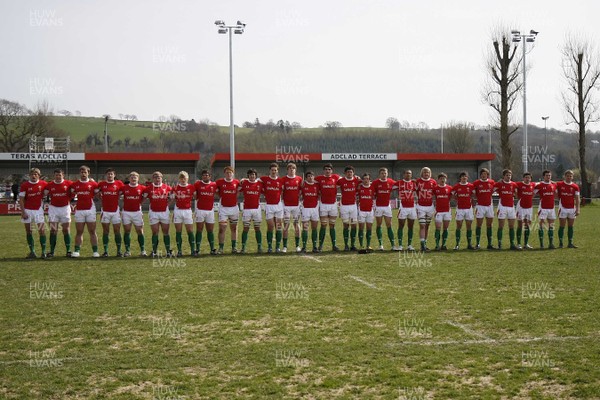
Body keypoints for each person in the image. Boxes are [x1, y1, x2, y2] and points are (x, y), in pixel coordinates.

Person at [70, 165, 99, 257]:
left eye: (85, 172)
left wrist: (95, 182)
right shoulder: (75, 184)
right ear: (79, 173)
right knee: (79, 231)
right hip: (79, 210)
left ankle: (95, 251)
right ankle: (77, 251)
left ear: (88, 173)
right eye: (82, 172)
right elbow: (71, 193)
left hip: (90, 209)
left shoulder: (94, 184)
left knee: (92, 231)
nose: (83, 174)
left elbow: (98, 194)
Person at [19, 168, 48, 258]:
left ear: (39, 175)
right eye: (32, 174)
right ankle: (32, 252)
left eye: (36, 174)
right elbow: (21, 199)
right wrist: (23, 212)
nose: (34, 175)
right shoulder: (25, 185)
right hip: (27, 210)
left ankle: (43, 252)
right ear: (29, 175)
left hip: (38, 210)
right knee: (29, 231)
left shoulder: (44, 184)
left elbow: (55, 186)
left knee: (42, 231)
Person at [44, 169, 73, 257]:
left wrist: (92, 181)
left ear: (63, 175)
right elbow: (43, 192)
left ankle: (68, 251)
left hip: (65, 209)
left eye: (59, 175)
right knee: (53, 230)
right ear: (54, 176)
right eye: (56, 175)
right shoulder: (49, 185)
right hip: (53, 209)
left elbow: (79, 184)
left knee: (66, 230)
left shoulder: (69, 183)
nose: (58, 177)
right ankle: (52, 251)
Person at [96, 168, 124, 257]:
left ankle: (119, 251)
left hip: (115, 211)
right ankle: (105, 251)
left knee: (117, 231)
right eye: (108, 174)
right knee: (106, 231)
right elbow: (96, 192)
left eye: (111, 174)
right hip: (105, 211)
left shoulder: (119, 183)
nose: (110, 175)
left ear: (114, 175)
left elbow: (123, 191)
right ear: (106, 175)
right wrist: (100, 197)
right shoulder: (101, 184)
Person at [144, 171, 172, 257]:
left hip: (164, 212)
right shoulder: (148, 188)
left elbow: (172, 198)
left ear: (162, 178)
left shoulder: (167, 187)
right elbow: (143, 198)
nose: (157, 178)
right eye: (155, 177)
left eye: (159, 177)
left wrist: (167, 205)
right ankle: (154, 251)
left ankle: (168, 251)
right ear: (153, 178)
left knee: (166, 232)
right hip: (153, 212)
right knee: (155, 232)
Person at [120, 171, 147, 257]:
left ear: (138, 178)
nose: (133, 178)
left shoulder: (142, 188)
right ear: (129, 178)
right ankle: (127, 251)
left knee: (139, 231)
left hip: (137, 212)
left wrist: (140, 203)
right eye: (132, 176)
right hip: (126, 212)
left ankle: (143, 250)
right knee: (127, 231)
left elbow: (145, 196)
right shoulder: (124, 188)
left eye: (135, 177)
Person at [315, 163, 341, 251]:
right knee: (323, 225)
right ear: (323, 170)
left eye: (329, 169)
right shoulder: (319, 178)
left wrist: (356, 177)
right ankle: (320, 245)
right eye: (326, 169)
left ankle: (334, 245)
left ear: (332, 170)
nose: (327, 171)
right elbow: (310, 181)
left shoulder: (336, 177)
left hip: (333, 205)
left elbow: (345, 180)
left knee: (332, 225)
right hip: (323, 205)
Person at [371, 167, 398, 251]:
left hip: (387, 206)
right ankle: (380, 245)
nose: (384, 175)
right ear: (379, 174)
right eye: (382, 173)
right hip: (378, 206)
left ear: (387, 174)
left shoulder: (391, 181)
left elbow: (400, 185)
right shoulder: (375, 183)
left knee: (389, 225)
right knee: (379, 225)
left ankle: (393, 245)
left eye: (385, 173)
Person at [215, 166, 240, 254]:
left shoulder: (237, 182)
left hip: (234, 208)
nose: (229, 174)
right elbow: (216, 191)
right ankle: (221, 248)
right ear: (224, 173)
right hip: (223, 208)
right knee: (222, 228)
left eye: (230, 172)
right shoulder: (219, 182)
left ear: (233, 173)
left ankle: (234, 247)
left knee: (234, 228)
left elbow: (242, 188)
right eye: (227, 173)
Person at [261, 163, 284, 253]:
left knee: (278, 227)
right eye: (272, 170)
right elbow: (254, 181)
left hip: (278, 206)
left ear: (277, 171)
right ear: (269, 171)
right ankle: (270, 247)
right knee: (270, 226)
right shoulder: (264, 179)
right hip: (269, 206)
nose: (274, 171)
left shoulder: (280, 180)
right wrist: (244, 179)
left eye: (275, 170)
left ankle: (278, 247)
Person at [239, 168, 264, 253]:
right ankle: (243, 247)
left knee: (257, 228)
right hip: (247, 209)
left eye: (253, 174)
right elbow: (237, 189)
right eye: (250, 175)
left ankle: (259, 247)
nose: (252, 176)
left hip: (257, 209)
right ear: (248, 176)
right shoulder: (244, 183)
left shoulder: (260, 184)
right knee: (245, 228)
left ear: (256, 176)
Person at [337, 166, 361, 251]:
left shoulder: (357, 180)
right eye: (347, 172)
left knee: (354, 225)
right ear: (345, 173)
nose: (349, 173)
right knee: (346, 225)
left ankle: (353, 244)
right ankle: (346, 245)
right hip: (344, 206)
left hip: (353, 206)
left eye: (351, 172)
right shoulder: (341, 181)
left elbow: (365, 182)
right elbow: (334, 186)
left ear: (353, 173)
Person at [172, 171, 196, 257]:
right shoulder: (175, 188)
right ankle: (179, 251)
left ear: (187, 178)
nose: (183, 180)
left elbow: (195, 197)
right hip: (178, 211)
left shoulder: (191, 187)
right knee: (178, 231)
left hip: (187, 211)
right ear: (179, 179)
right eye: (181, 178)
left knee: (190, 230)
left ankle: (193, 250)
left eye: (185, 178)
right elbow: (173, 198)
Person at [494, 169, 519, 250]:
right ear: (503, 176)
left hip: (511, 207)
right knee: (501, 226)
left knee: (511, 226)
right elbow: (491, 189)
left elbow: (516, 193)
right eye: (507, 175)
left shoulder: (514, 184)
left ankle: (512, 244)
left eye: (510, 175)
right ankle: (499, 244)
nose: (508, 177)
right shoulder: (499, 184)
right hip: (502, 207)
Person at [194, 170, 218, 255]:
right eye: (204, 175)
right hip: (200, 210)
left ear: (210, 176)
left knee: (210, 230)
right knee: (199, 230)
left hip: (210, 210)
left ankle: (212, 249)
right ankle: (197, 249)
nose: (205, 176)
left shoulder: (214, 185)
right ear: (202, 176)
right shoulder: (197, 184)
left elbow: (219, 192)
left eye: (207, 175)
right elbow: (194, 194)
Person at [281, 163, 303, 252]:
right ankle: (285, 246)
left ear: (295, 170)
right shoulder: (283, 179)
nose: (292, 170)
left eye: (293, 168)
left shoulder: (299, 179)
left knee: (296, 225)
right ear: (287, 170)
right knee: (285, 225)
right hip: (286, 206)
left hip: (296, 206)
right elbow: (281, 191)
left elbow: (302, 189)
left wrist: (299, 197)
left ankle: (297, 246)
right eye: (290, 168)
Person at [556, 170, 580, 248]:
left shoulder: (575, 186)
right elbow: (551, 184)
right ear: (564, 176)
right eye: (567, 176)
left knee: (570, 226)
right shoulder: (559, 184)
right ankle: (560, 243)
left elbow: (577, 198)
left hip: (572, 209)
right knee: (562, 226)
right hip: (562, 208)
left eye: (570, 176)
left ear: (572, 177)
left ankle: (570, 243)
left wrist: (578, 209)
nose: (569, 177)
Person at [473, 168, 496, 250]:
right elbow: (474, 193)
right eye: (482, 174)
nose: (483, 175)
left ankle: (490, 244)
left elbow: (492, 191)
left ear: (487, 175)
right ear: (480, 175)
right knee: (479, 225)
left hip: (489, 206)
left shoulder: (492, 182)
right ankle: (477, 244)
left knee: (489, 225)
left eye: (485, 174)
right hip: (480, 206)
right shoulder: (476, 183)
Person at [415, 167, 437, 252]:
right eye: (424, 172)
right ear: (422, 173)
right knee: (422, 225)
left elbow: (436, 193)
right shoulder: (418, 181)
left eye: (427, 172)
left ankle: (425, 243)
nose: (426, 174)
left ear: (430, 173)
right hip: (420, 206)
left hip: (430, 207)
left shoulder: (433, 182)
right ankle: (422, 245)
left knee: (427, 226)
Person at [452, 172, 475, 250]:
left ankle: (469, 244)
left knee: (469, 226)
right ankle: (457, 245)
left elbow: (474, 195)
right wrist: (456, 199)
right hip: (460, 209)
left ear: (467, 178)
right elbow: (452, 195)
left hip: (469, 208)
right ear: (460, 178)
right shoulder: (456, 186)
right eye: (462, 176)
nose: (464, 178)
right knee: (459, 226)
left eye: (465, 176)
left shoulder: (471, 186)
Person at [535, 170, 557, 249]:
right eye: (547, 175)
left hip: (551, 208)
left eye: (549, 175)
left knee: (551, 226)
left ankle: (551, 244)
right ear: (543, 176)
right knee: (541, 225)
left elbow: (556, 192)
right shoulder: (539, 185)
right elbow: (532, 193)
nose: (548, 177)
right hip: (543, 208)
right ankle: (541, 244)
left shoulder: (554, 185)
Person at [396, 169, 417, 251]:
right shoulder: (399, 183)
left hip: (412, 207)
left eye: (410, 173)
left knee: (411, 227)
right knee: (401, 226)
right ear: (403, 174)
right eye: (407, 173)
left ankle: (409, 245)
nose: (408, 175)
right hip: (403, 207)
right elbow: (389, 186)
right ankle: (400, 245)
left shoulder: (414, 183)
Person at [300, 171, 320, 253]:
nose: (310, 177)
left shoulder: (317, 185)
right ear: (306, 178)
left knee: (314, 228)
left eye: (312, 176)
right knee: (305, 228)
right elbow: (299, 194)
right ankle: (304, 247)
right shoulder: (303, 185)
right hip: (305, 209)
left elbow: (320, 194)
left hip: (315, 209)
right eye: (308, 176)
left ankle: (314, 247)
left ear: (314, 177)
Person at [515, 172, 536, 250]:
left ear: (531, 179)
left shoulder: (533, 185)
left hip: (529, 207)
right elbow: (511, 186)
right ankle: (518, 244)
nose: (527, 179)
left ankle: (526, 243)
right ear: (523, 178)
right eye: (526, 177)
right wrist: (517, 195)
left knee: (527, 225)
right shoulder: (519, 184)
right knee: (520, 225)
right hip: (521, 207)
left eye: (529, 177)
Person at [432, 173, 452, 251]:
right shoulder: (435, 188)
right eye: (441, 178)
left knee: (445, 228)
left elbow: (451, 197)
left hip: (447, 211)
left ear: (446, 179)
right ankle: (437, 245)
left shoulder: (449, 188)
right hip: (438, 211)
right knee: (438, 228)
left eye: (444, 178)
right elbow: (432, 196)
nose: (442, 180)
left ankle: (443, 244)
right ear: (438, 179)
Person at [357, 173, 375, 251]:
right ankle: (361, 245)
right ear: (362, 180)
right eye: (364, 179)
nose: (366, 180)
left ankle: (368, 245)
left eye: (367, 179)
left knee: (369, 228)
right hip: (361, 210)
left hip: (370, 211)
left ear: (369, 180)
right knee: (361, 228)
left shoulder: (373, 188)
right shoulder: (359, 188)